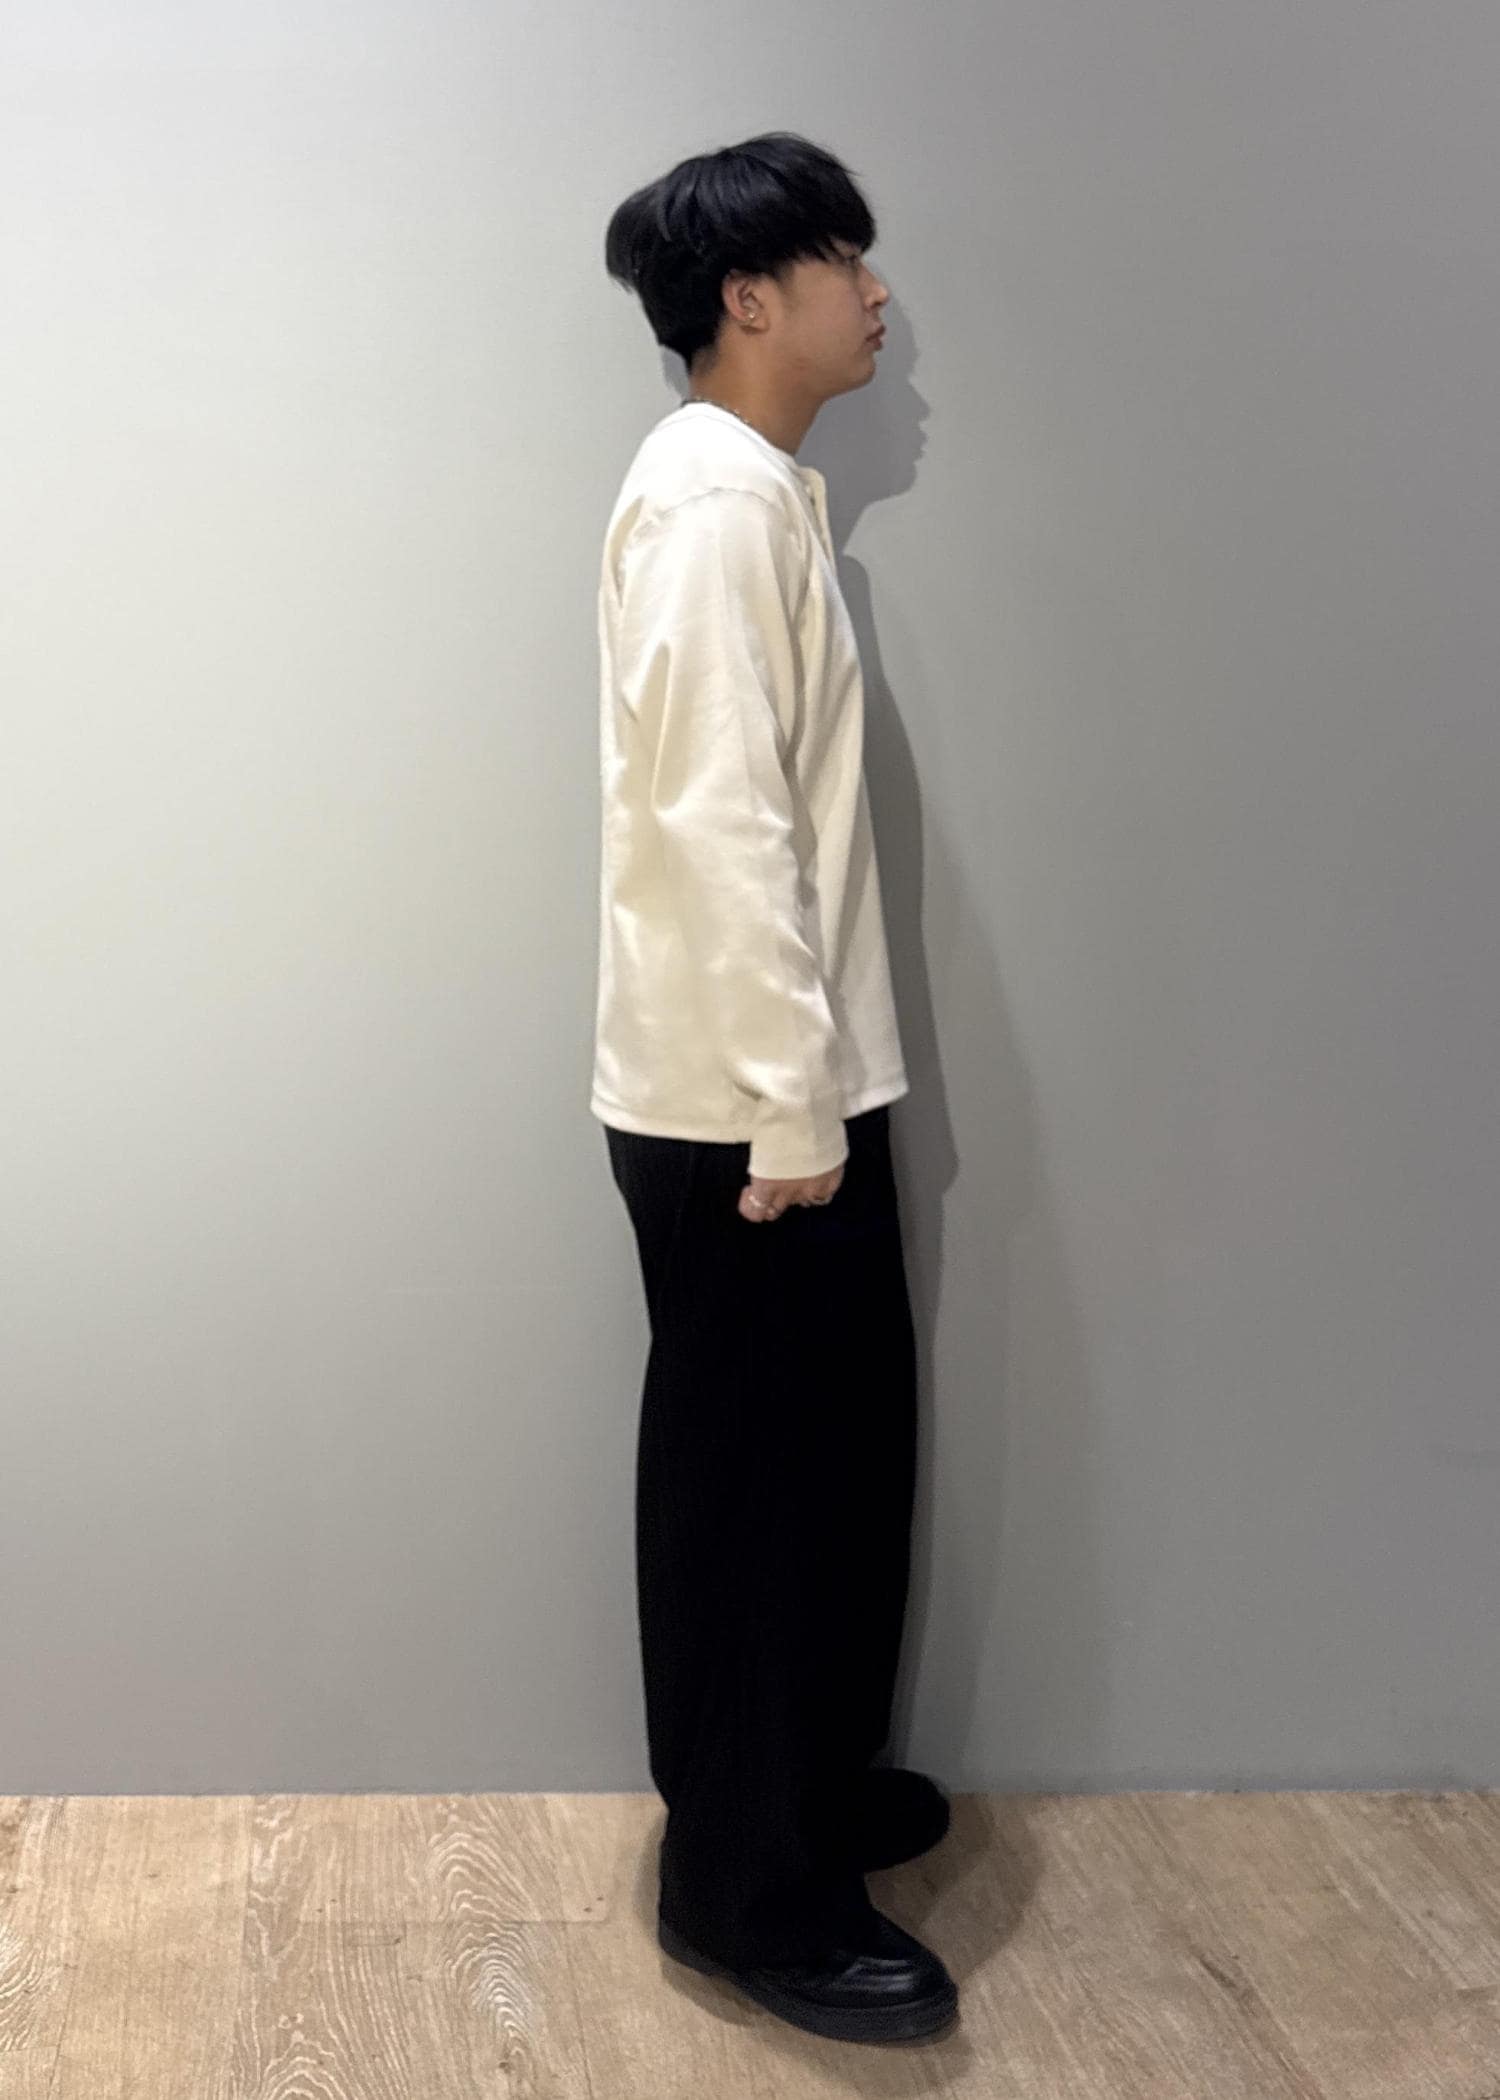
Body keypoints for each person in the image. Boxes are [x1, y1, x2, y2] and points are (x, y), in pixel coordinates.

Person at [590, 131, 958, 2045]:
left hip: (786, 1086)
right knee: (756, 1498)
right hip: (749, 1112)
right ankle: (747, 1890)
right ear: (752, 294)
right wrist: (792, 1111)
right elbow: (722, 826)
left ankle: (797, 1793)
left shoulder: (758, 496)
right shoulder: (717, 506)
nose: (879, 297)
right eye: (846, 262)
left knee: (826, 1469)